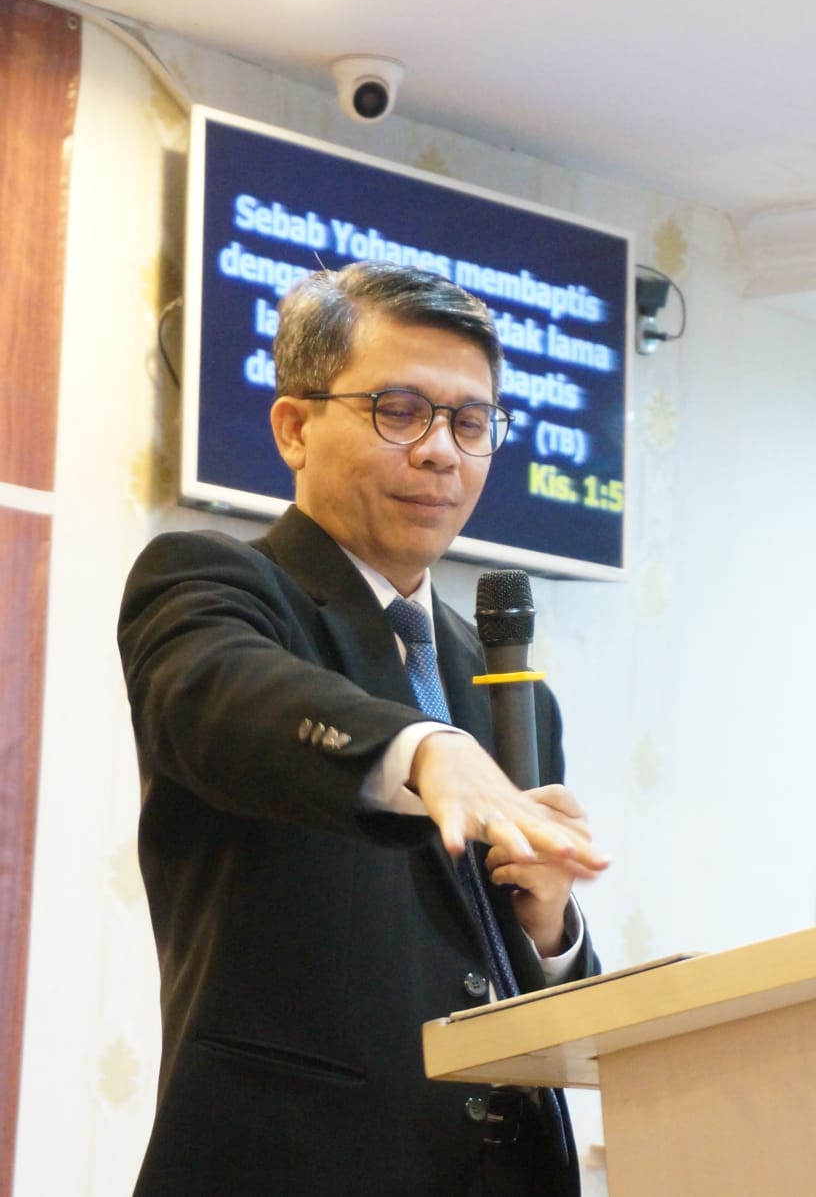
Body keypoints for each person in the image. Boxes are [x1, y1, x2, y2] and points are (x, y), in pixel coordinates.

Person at [118, 261, 609, 1196]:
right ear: (294, 428)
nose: (442, 452)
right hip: (292, 1166)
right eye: (401, 411)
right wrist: (418, 749)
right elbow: (222, 698)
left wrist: (550, 927)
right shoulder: (212, 586)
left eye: (471, 423)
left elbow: (510, 988)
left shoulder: (506, 687)